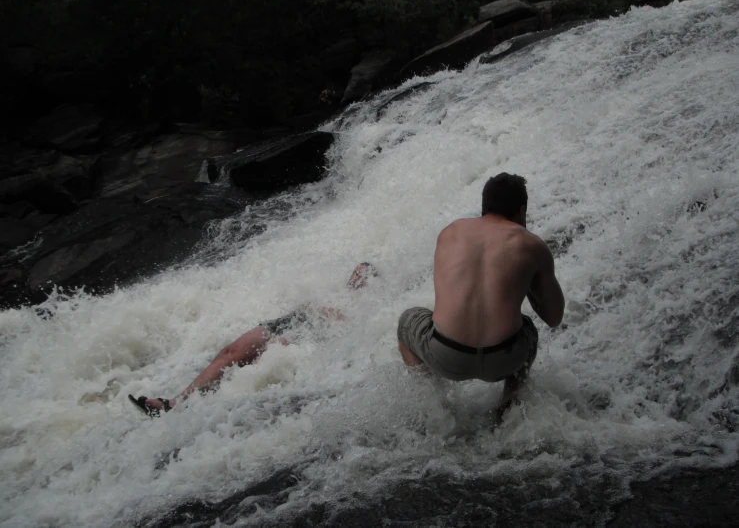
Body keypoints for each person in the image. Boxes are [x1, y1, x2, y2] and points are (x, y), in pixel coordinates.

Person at [396, 173, 564, 420]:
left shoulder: (451, 232)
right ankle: (507, 408)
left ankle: (437, 410)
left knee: (407, 321)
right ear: (522, 210)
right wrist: (527, 279)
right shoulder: (532, 245)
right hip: (504, 359)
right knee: (528, 329)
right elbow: (554, 317)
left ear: (484, 207)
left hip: (445, 356)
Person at [129, 262, 378, 416]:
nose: (357, 278)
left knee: (263, 361)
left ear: (371, 283)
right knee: (231, 352)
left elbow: (347, 335)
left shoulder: (366, 309)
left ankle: (202, 414)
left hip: (310, 337)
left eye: (363, 275)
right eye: (356, 272)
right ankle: (173, 403)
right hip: (288, 321)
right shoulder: (334, 293)